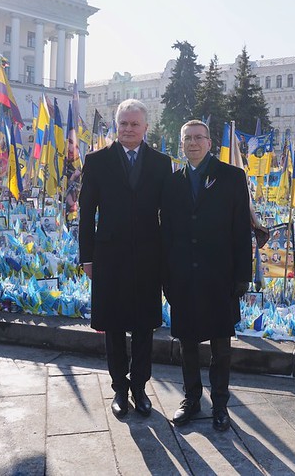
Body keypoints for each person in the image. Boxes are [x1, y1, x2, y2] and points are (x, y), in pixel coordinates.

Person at [78, 99, 172, 419]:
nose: (129, 129)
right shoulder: (97, 161)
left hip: (149, 255)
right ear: (116, 127)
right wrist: (86, 258)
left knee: (145, 325)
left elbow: (168, 216)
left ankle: (140, 388)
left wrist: (169, 257)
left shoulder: (161, 163)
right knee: (114, 324)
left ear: (146, 127)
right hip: (109, 256)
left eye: (135, 124)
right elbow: (86, 212)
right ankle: (119, 387)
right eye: (124, 124)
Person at [161, 119, 252, 432]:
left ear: (210, 142)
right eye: (187, 138)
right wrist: (166, 276)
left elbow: (241, 230)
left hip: (219, 277)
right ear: (182, 144)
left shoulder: (232, 177)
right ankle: (191, 399)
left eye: (199, 138)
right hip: (184, 277)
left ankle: (221, 405)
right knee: (187, 345)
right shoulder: (173, 182)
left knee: (220, 347)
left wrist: (243, 276)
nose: (193, 143)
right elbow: (167, 232)